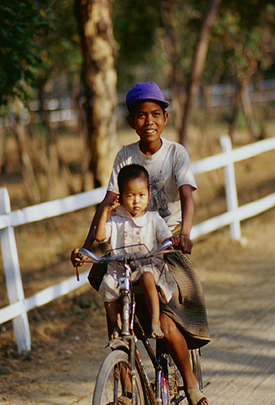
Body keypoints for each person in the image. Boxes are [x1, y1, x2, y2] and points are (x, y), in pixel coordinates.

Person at [71, 81, 210, 405]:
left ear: (165, 117)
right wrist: (86, 246)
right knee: (112, 307)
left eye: (156, 114)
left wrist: (184, 234)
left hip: (165, 241)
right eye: (141, 115)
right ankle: (126, 385)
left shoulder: (176, 153)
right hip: (127, 244)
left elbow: (187, 197)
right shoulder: (124, 156)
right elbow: (106, 205)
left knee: (168, 316)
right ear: (131, 120)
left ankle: (191, 386)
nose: (149, 121)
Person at [94, 164, 178, 340]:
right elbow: (100, 236)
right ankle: (117, 325)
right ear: (121, 197)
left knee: (147, 276)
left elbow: (166, 237)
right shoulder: (116, 220)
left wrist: (170, 243)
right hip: (121, 270)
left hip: (147, 265)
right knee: (108, 284)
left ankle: (155, 321)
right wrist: (105, 212)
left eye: (141, 195)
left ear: (148, 195)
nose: (136, 201)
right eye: (130, 196)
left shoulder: (153, 218)